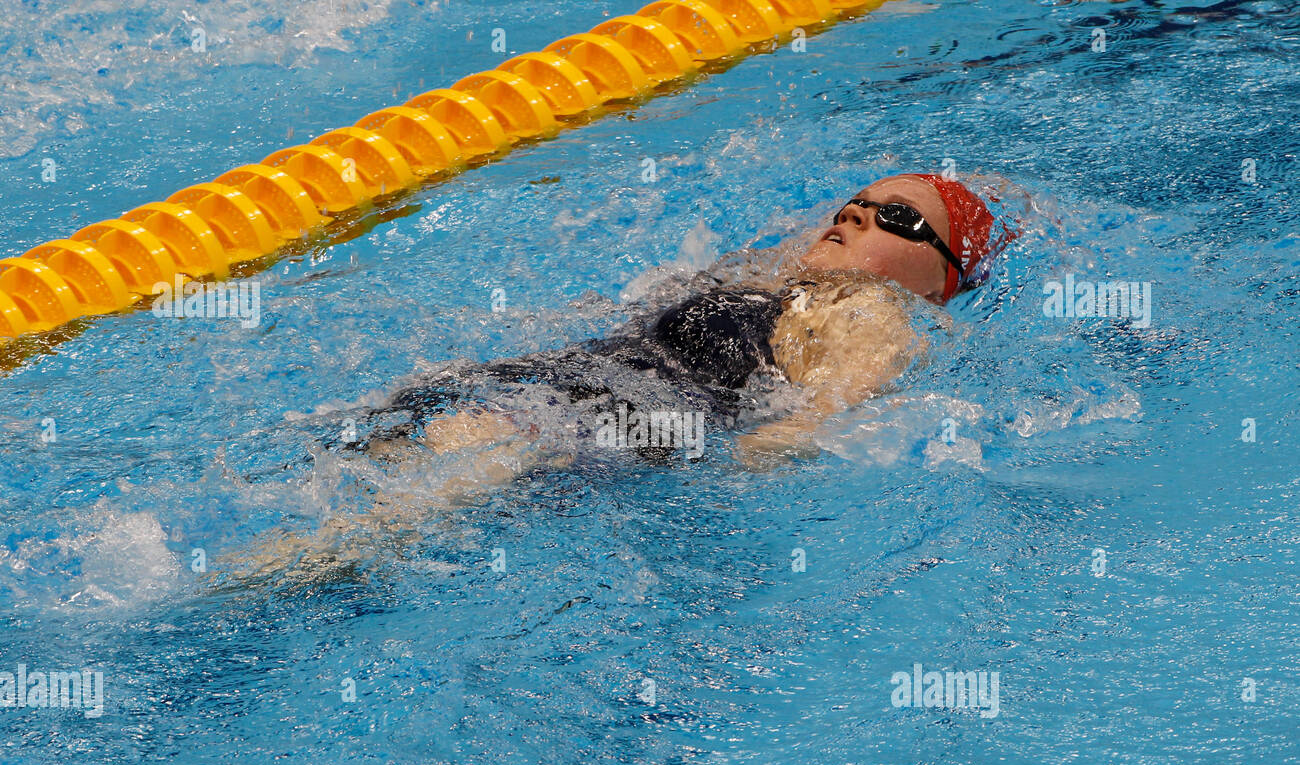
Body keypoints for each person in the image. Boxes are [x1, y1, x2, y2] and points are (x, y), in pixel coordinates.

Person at [229, 173, 1005, 580]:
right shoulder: (771, 282)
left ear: (941, 277)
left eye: (896, 218)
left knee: (369, 519)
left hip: (606, 418)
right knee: (366, 476)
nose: (856, 216)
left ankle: (237, 591)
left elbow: (834, 411)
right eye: (852, 203)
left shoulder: (874, 312)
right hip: (555, 386)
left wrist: (763, 454)